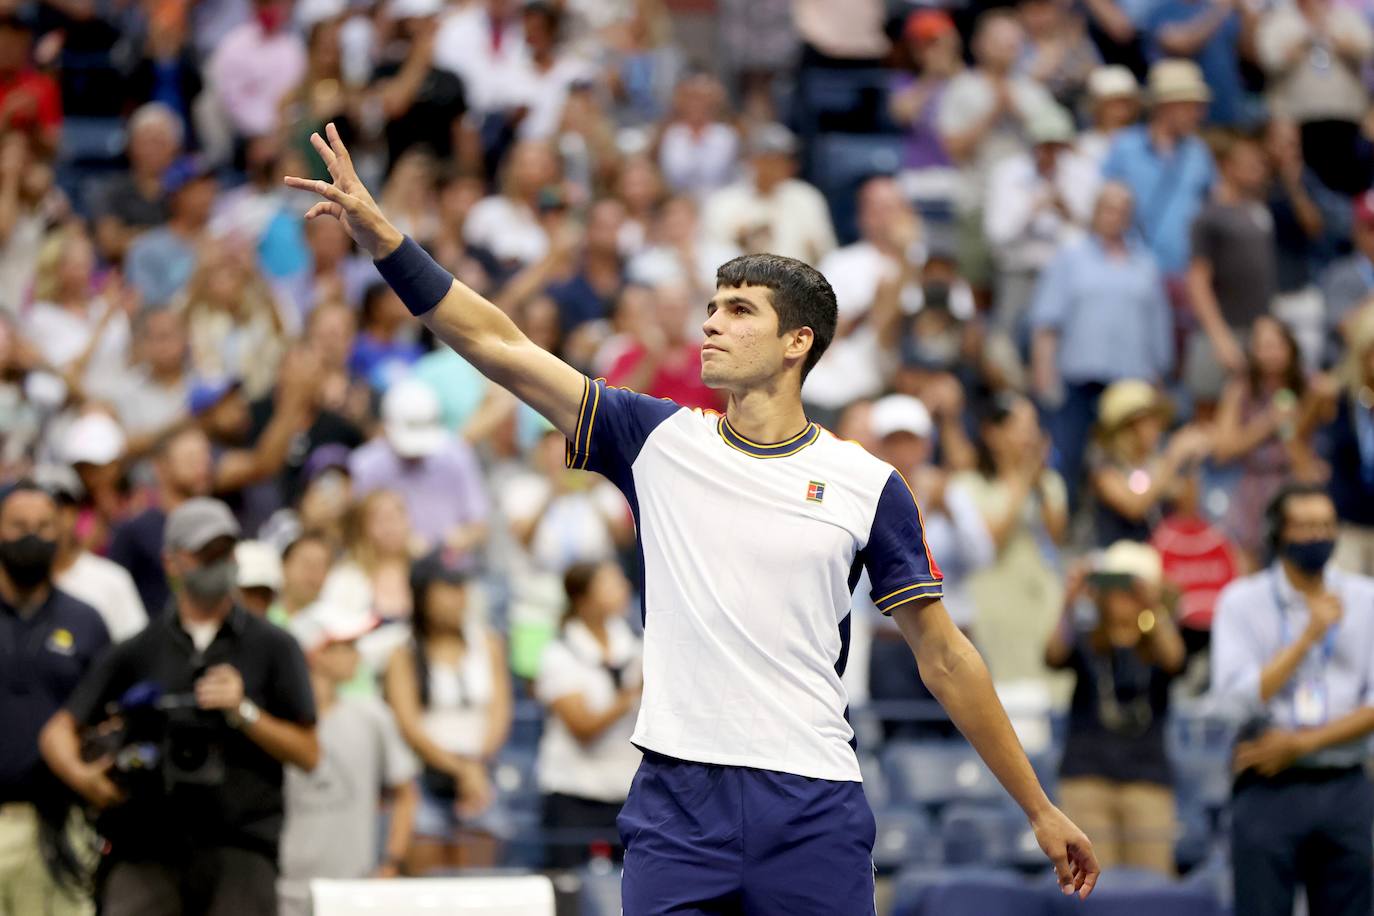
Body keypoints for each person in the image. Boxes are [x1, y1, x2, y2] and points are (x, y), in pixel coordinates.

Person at [285, 122, 1099, 909]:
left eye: (741, 310)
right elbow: (499, 345)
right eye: (712, 306)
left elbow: (946, 658)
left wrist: (1037, 805)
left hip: (811, 800)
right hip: (677, 800)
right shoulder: (657, 440)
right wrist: (387, 240)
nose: (713, 321)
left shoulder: (868, 482)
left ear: (797, 344)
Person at [39, 497, 319, 916]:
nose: (217, 563)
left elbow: (309, 753)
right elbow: (58, 730)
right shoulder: (139, 649)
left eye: (225, 552)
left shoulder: (273, 646)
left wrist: (245, 713)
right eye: (205, 554)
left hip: (240, 844)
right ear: (172, 561)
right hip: (146, 844)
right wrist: (87, 778)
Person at [1211, 484, 1374, 916]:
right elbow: (1230, 704)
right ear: (1277, 534)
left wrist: (1300, 744)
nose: (1317, 535)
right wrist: (1306, 640)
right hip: (1267, 785)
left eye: (1325, 525)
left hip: (1344, 782)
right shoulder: (1241, 602)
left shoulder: (1366, 598)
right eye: (1304, 526)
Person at [0, 481, 110, 916]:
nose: (32, 537)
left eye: (44, 526)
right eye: (18, 526)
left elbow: (107, 719)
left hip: (58, 825)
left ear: (62, 532)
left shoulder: (86, 621)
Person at [1030, 181, 1174, 505]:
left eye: (1122, 210)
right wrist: (1044, 379)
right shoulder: (1071, 258)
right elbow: (1046, 324)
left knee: (1131, 462)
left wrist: (1159, 378)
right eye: (1108, 208)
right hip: (1080, 380)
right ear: (1095, 212)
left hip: (1131, 382)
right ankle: (1064, 527)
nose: (1114, 216)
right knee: (1067, 458)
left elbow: (1158, 326)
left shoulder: (1145, 264)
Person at [1046, 541, 1185, 875]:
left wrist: (1153, 605)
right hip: (1087, 777)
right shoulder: (1086, 638)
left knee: (1151, 891)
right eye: (1116, 587)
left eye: (1131, 587)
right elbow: (1052, 655)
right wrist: (1070, 600)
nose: (1123, 597)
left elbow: (1176, 660)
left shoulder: (1157, 642)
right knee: (1093, 887)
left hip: (1147, 779)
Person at [278, 604, 419, 916]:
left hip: (354, 892)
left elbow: (406, 795)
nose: (358, 655)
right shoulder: (275, 725)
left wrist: (391, 864)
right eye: (346, 646)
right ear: (317, 653)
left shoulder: (373, 716)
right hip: (284, 890)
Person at [383, 550, 505, 872]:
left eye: (461, 587)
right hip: (425, 778)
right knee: (429, 892)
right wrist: (460, 769)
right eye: (447, 588)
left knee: (481, 890)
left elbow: (499, 714)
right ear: (423, 595)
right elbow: (409, 727)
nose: (458, 598)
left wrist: (475, 768)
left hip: (480, 776)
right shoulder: (402, 653)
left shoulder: (488, 643)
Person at [535, 560, 642, 869]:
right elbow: (582, 727)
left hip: (627, 793)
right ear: (583, 597)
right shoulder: (558, 654)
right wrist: (631, 696)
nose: (623, 588)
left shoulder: (638, 646)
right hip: (574, 794)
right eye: (609, 583)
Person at [1101, 59, 1215, 284]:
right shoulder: (1125, 147)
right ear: (1167, 106)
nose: (1198, 114)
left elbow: (1211, 204)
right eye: (1191, 106)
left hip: (1185, 275)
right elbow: (1105, 207)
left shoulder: (1199, 152)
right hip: (1132, 271)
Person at [1185, 132, 1278, 401]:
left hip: (1257, 333)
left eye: (1260, 162)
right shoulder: (1209, 216)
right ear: (1227, 166)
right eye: (1248, 162)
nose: (1258, 168)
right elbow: (1197, 280)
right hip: (1224, 331)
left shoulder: (1259, 210)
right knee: (1209, 406)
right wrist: (1219, 337)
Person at [349, 378, 490, 555]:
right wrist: (399, 543)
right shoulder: (365, 465)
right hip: (385, 565)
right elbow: (355, 533)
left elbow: (480, 526)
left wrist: (458, 540)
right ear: (385, 429)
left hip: (449, 569)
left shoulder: (456, 455)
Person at [1086, 380, 1212, 547]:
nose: (1157, 427)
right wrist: (1173, 458)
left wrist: (1190, 465)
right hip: (1118, 560)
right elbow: (1133, 507)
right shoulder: (1105, 468)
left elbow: (1187, 512)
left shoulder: (1156, 463)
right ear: (1128, 428)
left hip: (1158, 557)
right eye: (1149, 421)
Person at [39, 464, 147, 642]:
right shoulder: (13, 585)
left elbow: (136, 654)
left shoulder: (112, 579)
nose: (54, 516)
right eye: (45, 506)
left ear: (76, 513)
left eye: (62, 507)